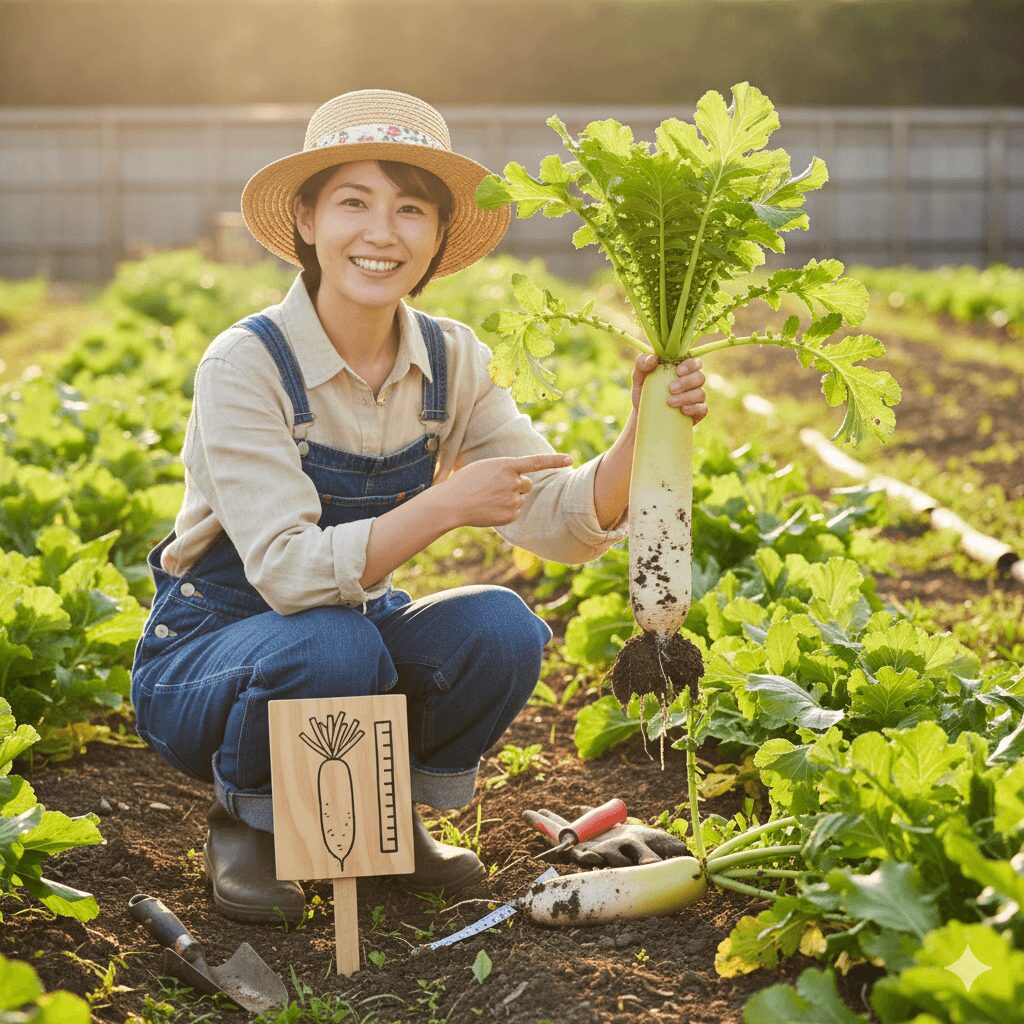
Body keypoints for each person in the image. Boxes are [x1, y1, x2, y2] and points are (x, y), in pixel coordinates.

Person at [129, 89, 709, 925]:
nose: (381, 233)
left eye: (410, 209)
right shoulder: (245, 364)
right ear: (306, 218)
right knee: (330, 644)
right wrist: (445, 505)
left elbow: (556, 514)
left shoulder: (449, 357)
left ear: (437, 235)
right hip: (213, 658)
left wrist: (643, 422)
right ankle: (246, 820)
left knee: (501, 629)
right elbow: (291, 575)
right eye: (353, 203)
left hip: (345, 635)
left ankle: (383, 820)